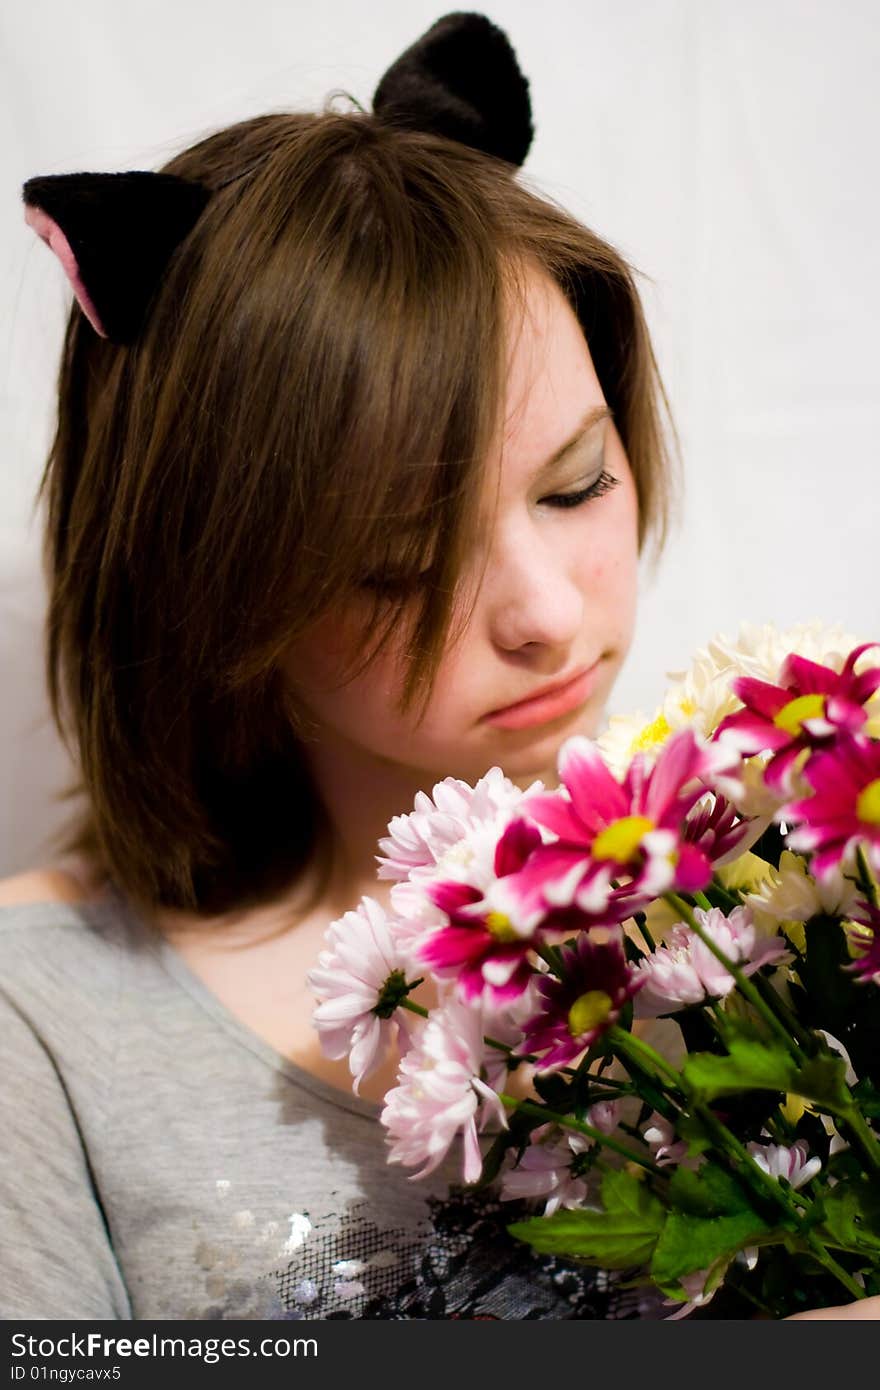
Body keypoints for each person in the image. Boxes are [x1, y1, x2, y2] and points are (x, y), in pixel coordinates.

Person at [1, 13, 873, 1322]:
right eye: (400, 562)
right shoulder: (47, 1014)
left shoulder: (793, 883)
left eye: (577, 483)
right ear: (209, 580)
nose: (541, 611)